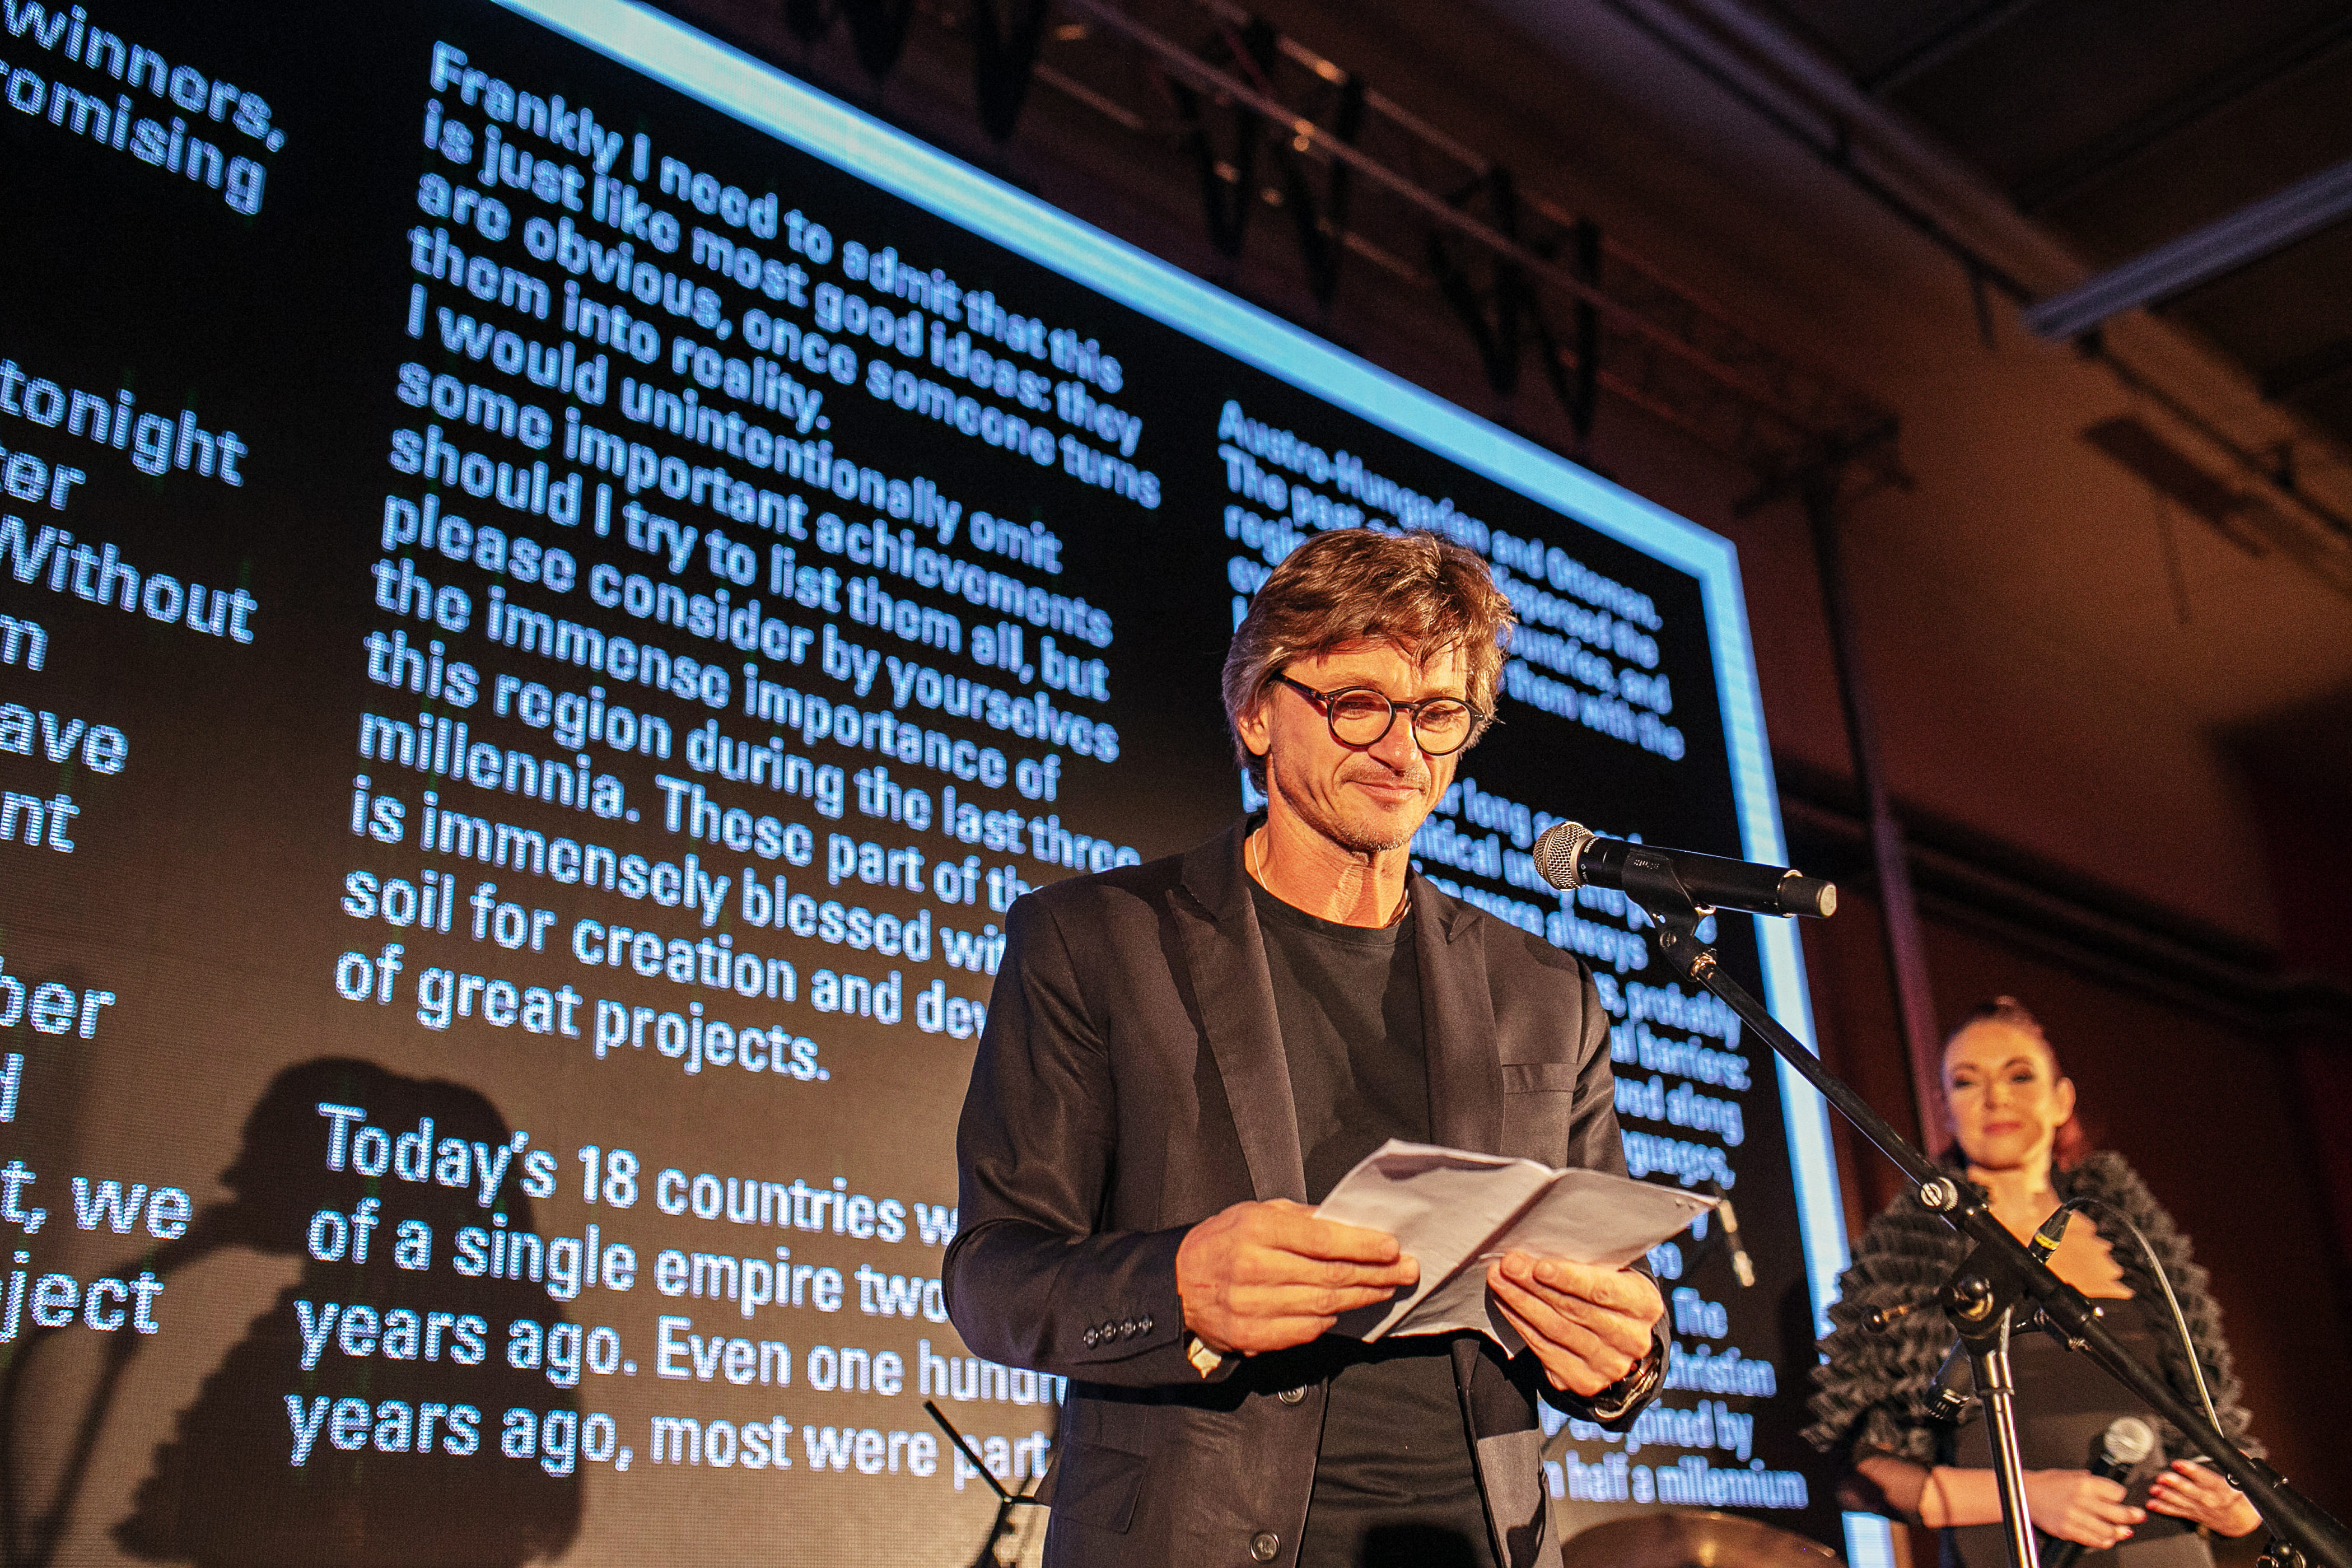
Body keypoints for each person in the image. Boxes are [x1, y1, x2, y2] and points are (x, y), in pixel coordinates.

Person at [943, 528, 1668, 1568]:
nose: (1403, 752)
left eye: (1439, 714)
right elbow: (993, 1276)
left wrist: (1624, 1360)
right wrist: (1179, 1286)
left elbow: (1620, 1289)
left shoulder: (1545, 990)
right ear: (1255, 712)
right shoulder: (1094, 941)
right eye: (1358, 703)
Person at [1807, 998, 2262, 1568]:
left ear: (2061, 1098)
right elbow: (1860, 1471)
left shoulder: (2136, 1239)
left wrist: (2239, 1508)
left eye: (2019, 1076)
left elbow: (2218, 1426)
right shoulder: (1909, 1252)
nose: (1996, 1098)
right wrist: (2028, 1495)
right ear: (1944, 1108)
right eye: (1966, 1082)